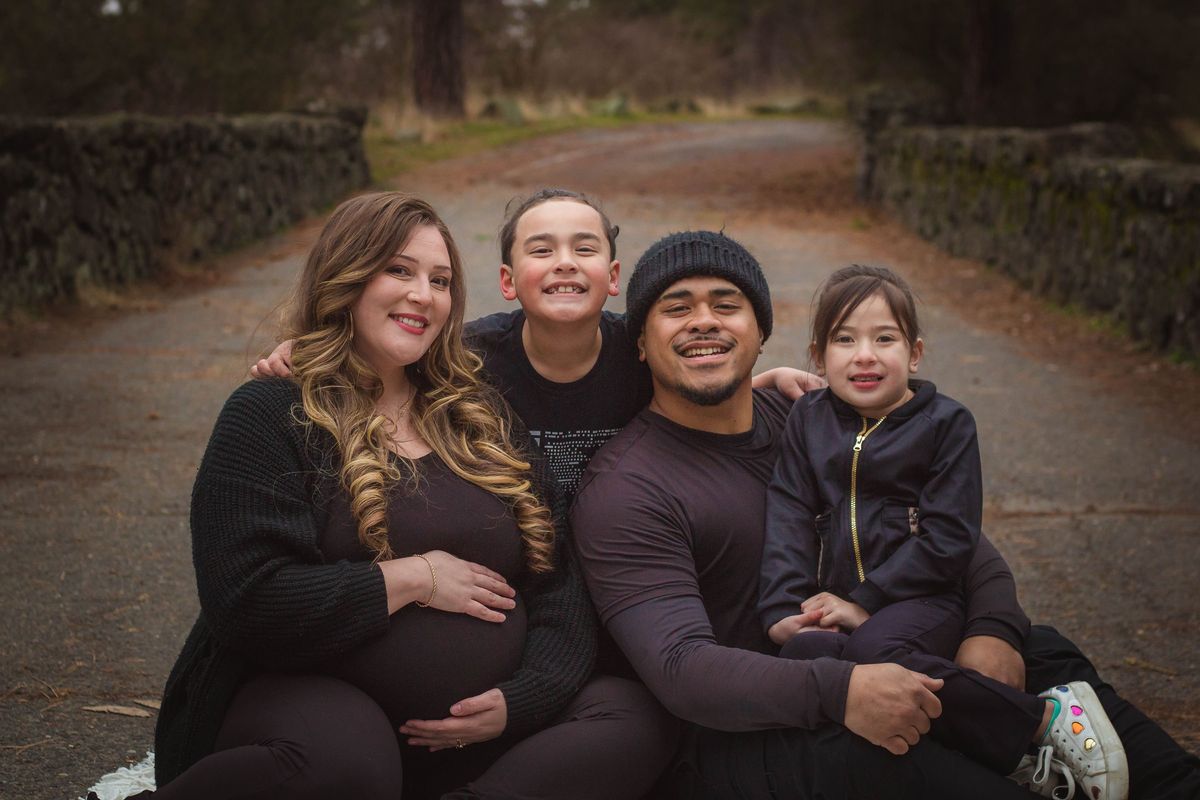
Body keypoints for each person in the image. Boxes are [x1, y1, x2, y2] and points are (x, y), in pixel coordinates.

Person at [571, 230, 1200, 799]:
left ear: (761, 331)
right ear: (641, 343)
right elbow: (683, 669)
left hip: (906, 647)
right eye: (677, 308)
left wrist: (992, 629)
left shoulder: (811, 418)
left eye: (726, 304)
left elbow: (952, 533)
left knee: (1077, 686)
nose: (704, 321)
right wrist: (845, 691)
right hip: (774, 724)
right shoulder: (628, 489)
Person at [150, 192, 676, 800]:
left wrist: (524, 698)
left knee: (632, 718)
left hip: (481, 727)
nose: (423, 295)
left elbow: (556, 577)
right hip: (316, 703)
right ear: (346, 277)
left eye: (440, 280)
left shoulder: (475, 412)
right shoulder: (273, 411)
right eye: (399, 271)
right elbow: (247, 599)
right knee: (349, 763)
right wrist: (413, 579)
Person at [759, 264, 1125, 798]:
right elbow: (789, 510)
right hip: (838, 602)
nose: (865, 355)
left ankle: (1043, 719)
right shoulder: (808, 419)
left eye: (885, 339)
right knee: (802, 656)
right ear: (818, 356)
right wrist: (781, 609)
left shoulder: (947, 425)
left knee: (876, 648)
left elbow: (951, 537)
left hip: (924, 598)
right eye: (845, 339)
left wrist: (865, 601)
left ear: (914, 354)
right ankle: (993, 753)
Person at [253, 188, 822, 497]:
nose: (565, 263)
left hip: (626, 539)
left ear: (613, 277)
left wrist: (759, 383)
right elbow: (387, 360)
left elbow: (698, 373)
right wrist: (309, 358)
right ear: (508, 281)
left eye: (584, 249)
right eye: (542, 250)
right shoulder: (467, 357)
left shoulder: (639, 349)